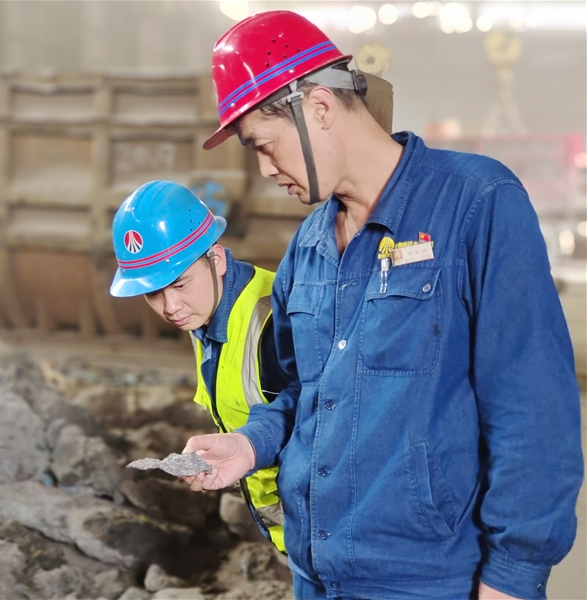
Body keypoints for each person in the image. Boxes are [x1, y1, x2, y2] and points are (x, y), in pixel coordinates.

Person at [183, 10, 583, 600]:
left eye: (264, 146)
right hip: (318, 574)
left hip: (429, 580)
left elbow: (533, 404)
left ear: (319, 107)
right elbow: (305, 393)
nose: (265, 170)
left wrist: (515, 574)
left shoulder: (475, 203)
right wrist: (250, 443)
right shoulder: (308, 249)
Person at [109, 179, 292, 551]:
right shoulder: (206, 315)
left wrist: (249, 445)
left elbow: (326, 419)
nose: (170, 307)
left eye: (179, 284)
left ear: (217, 260)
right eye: (152, 293)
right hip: (297, 538)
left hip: (336, 540)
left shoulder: (277, 322)